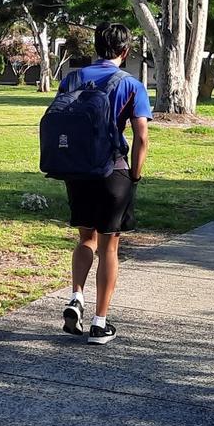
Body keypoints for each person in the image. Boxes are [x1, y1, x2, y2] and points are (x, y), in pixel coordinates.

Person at [58, 23, 152, 345]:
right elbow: (141, 136)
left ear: (96, 46)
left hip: (76, 170)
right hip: (113, 172)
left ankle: (75, 297)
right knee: (110, 245)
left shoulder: (71, 78)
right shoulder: (132, 85)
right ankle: (99, 323)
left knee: (86, 238)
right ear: (125, 52)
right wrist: (135, 175)